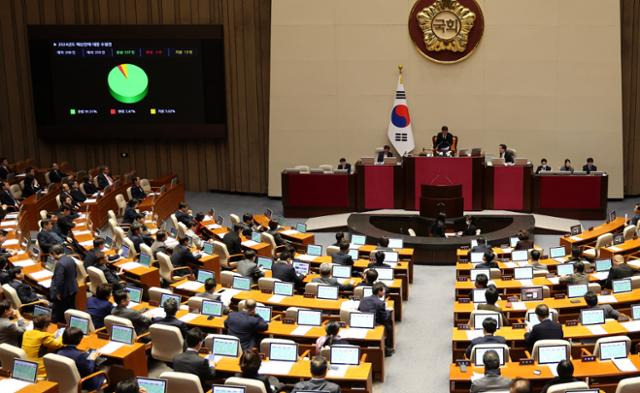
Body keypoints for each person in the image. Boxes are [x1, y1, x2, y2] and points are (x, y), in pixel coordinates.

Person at [358, 282, 394, 354]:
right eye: (383, 290)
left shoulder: (363, 299)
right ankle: (387, 348)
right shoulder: (380, 303)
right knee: (388, 324)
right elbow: (384, 318)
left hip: (361, 322)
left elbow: (359, 309)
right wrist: (388, 311)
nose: (384, 292)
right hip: (374, 324)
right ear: (379, 291)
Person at [50, 245, 77, 323]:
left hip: (64, 292)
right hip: (72, 288)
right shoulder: (70, 259)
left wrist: (58, 293)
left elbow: (59, 280)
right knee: (72, 310)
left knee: (62, 313)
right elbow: (75, 274)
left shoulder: (60, 264)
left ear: (54, 253)